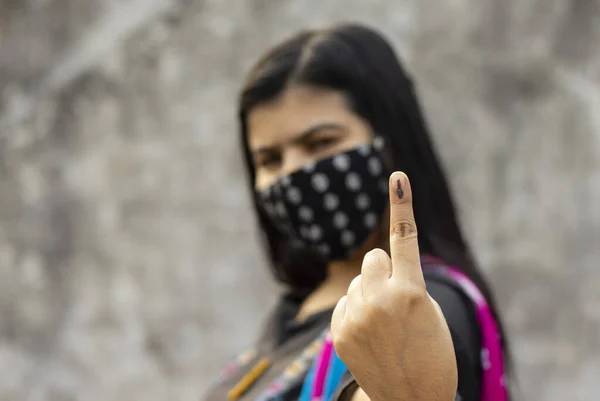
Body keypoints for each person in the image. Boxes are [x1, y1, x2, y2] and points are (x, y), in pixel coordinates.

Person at [204, 23, 512, 401]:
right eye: (269, 160)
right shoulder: (290, 317)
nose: (292, 173)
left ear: (390, 144)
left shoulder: (419, 307)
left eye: (321, 143)